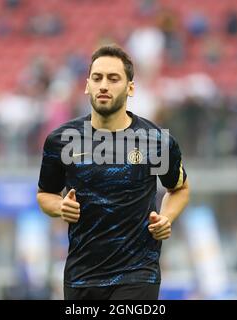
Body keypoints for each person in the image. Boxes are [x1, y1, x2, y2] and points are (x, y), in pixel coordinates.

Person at [36, 45, 189, 300]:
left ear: (130, 87)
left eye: (113, 78)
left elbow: (180, 188)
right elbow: (45, 194)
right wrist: (60, 207)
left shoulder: (155, 140)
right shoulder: (61, 140)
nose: (103, 85)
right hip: (81, 276)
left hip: (138, 274)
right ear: (87, 85)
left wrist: (167, 217)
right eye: (97, 78)